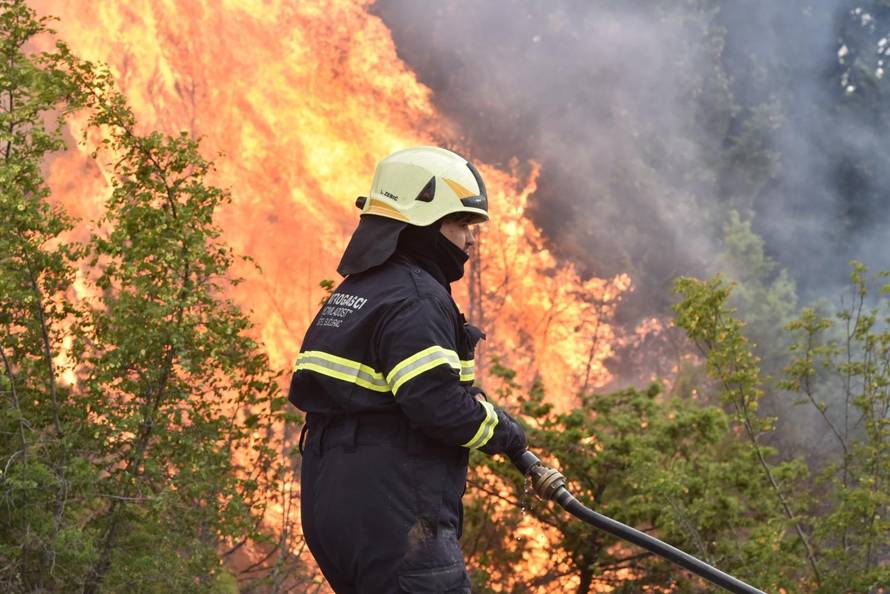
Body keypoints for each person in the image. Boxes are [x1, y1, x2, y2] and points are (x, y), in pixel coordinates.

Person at [289, 146, 528, 593]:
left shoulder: (360, 291)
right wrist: (506, 434)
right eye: (461, 224)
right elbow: (436, 404)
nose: (470, 240)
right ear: (423, 223)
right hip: (394, 510)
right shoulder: (417, 298)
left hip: (335, 504)